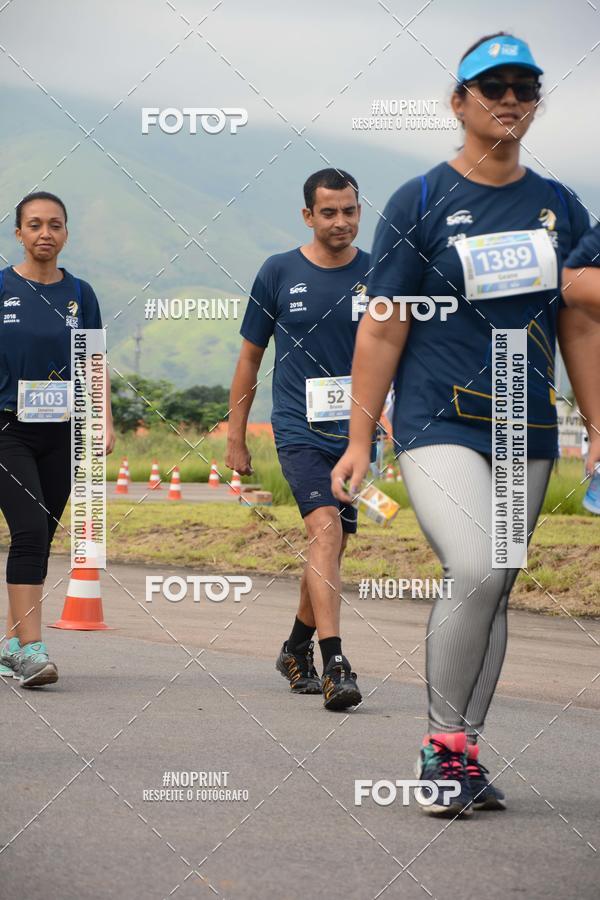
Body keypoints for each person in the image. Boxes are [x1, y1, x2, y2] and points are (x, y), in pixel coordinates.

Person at [332, 33, 600, 814]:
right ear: (459, 102)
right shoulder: (420, 200)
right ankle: (440, 749)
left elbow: (580, 325)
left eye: (525, 86)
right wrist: (358, 436)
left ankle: (465, 754)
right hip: (435, 416)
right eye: (493, 87)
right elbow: (382, 325)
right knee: (476, 567)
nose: (510, 98)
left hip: (527, 425)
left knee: (496, 587)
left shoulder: (562, 206)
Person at [226, 169, 371, 710]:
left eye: (350, 210)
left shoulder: (380, 272)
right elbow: (248, 359)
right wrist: (236, 437)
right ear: (308, 216)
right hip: (297, 427)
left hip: (356, 435)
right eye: (329, 212)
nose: (341, 222)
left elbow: (399, 353)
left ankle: (293, 649)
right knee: (325, 533)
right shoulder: (279, 272)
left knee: (331, 546)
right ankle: (336, 662)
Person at [0, 191, 115, 687]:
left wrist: (103, 419)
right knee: (27, 530)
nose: (45, 232)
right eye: (34, 225)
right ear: (19, 233)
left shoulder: (81, 294)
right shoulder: (2, 287)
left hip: (65, 432)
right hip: (8, 429)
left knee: (41, 535)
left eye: (55, 224)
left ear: (66, 233)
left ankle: (10, 644)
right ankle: (31, 649)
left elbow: (94, 359)